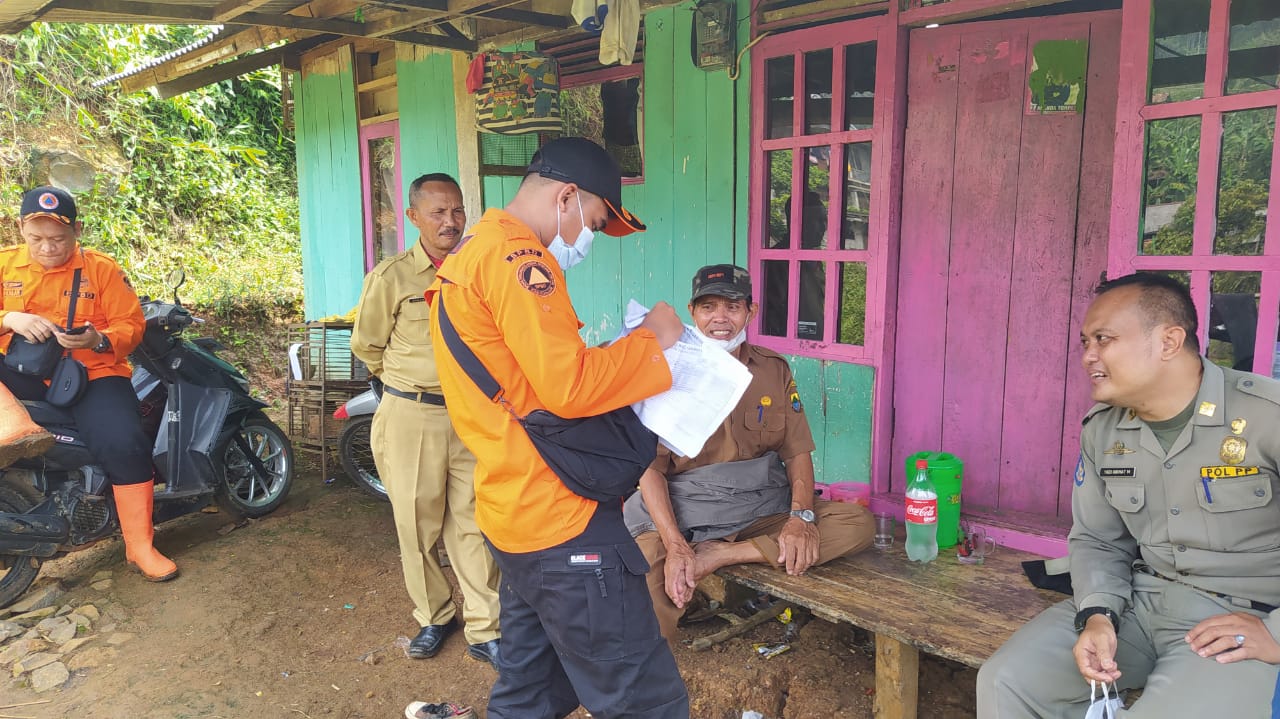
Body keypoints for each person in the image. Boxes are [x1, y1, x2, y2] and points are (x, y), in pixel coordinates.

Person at [425, 137, 690, 718]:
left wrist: (616, 355)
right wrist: (654, 343)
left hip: (514, 515)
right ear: (566, 195)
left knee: (531, 694)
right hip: (560, 517)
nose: (587, 239)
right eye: (593, 221)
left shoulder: (471, 254)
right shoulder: (520, 261)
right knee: (644, 702)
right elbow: (567, 387)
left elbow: (529, 379)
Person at [976, 273, 1280, 717]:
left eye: (1104, 339)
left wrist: (1275, 635)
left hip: (1239, 620)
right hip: (1136, 604)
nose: (1088, 356)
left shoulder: (1266, 416)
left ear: (1169, 342)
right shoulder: (1104, 429)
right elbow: (1098, 540)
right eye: (1085, 342)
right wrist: (1098, 614)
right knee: (1007, 682)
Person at [624, 263, 874, 642]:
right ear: (692, 312)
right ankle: (644, 680)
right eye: (708, 307)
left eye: (733, 307)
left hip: (760, 509)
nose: (720, 319)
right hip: (686, 514)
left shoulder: (772, 369)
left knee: (857, 524)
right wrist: (675, 545)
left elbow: (797, 451)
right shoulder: (666, 372)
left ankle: (725, 554)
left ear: (750, 312)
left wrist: (801, 517)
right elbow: (650, 471)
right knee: (642, 581)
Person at [350, 173, 501, 666]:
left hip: (471, 415)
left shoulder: (477, 269)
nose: (450, 222)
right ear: (413, 217)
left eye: (457, 211)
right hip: (412, 413)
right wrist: (404, 385)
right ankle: (434, 617)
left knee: (474, 524)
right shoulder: (391, 277)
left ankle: (486, 628)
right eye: (438, 212)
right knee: (416, 526)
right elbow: (367, 347)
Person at [0, 186, 175, 581]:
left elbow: (132, 325)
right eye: (36, 239)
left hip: (92, 372)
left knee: (124, 441)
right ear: (20, 230)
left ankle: (140, 545)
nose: (47, 248)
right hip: (21, 374)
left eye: (58, 239)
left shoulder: (101, 269)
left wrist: (98, 339)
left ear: (77, 230)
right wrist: (8, 319)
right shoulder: (5, 265)